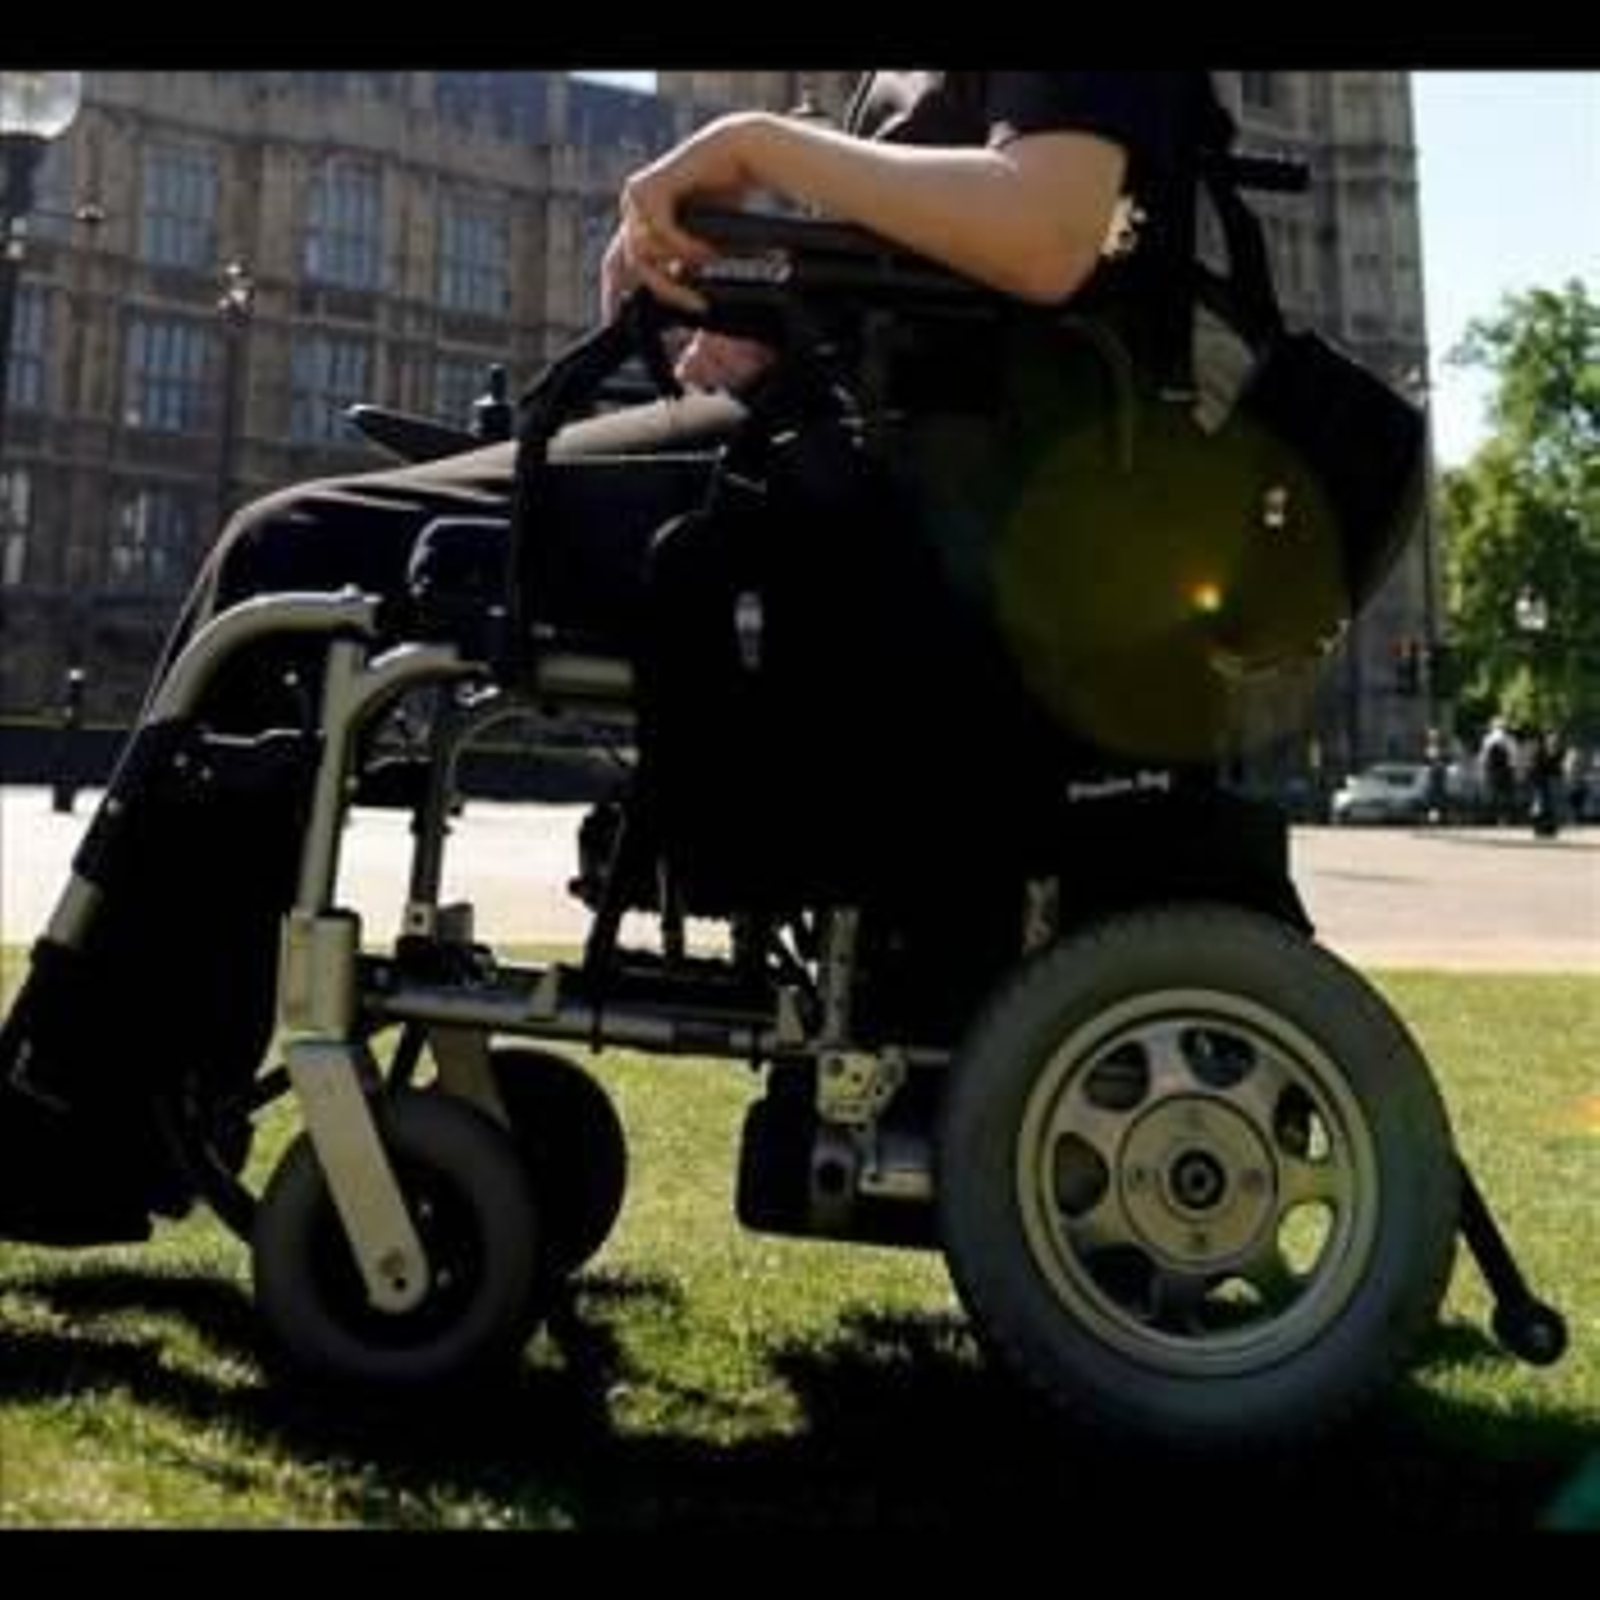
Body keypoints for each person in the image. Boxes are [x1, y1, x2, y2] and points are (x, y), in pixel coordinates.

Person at [145, 71, 1220, 739]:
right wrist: (758, 319)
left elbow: (1045, 231)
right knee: (300, 544)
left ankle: (86, 1096)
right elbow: (944, 283)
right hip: (858, 466)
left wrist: (758, 143)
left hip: (929, 505)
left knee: (287, 553)